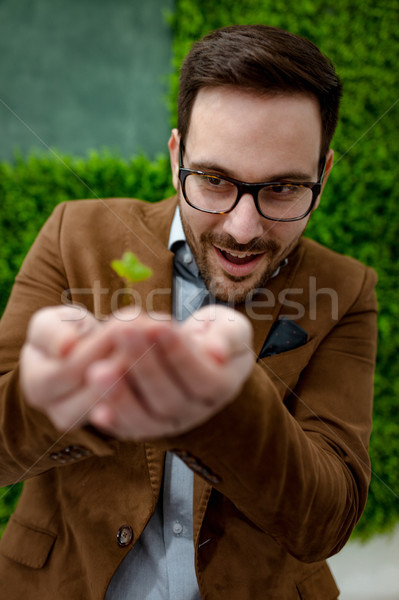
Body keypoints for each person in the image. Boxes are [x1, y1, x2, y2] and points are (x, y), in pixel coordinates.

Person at [0, 24, 377, 599]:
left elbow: (326, 518)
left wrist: (229, 403)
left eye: (282, 189)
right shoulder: (72, 235)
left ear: (322, 175)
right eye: (215, 180)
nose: (242, 228)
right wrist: (44, 401)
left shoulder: (347, 290)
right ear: (178, 156)